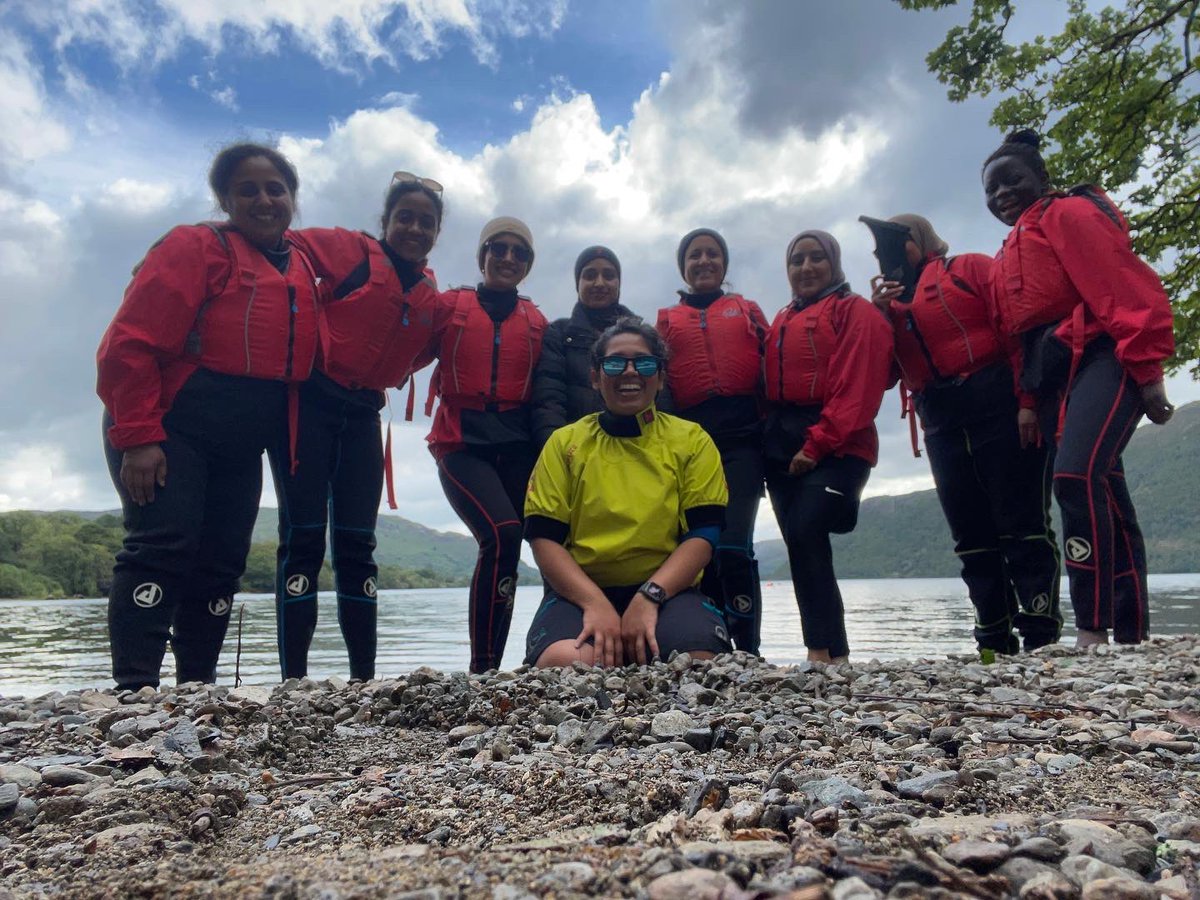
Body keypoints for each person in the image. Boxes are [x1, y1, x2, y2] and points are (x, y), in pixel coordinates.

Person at [97, 142, 322, 690]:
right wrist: (138, 439)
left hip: (238, 446)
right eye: (248, 189)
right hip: (166, 429)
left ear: (292, 197)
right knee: (161, 546)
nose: (264, 199)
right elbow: (127, 345)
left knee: (223, 561)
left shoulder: (301, 264)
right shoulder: (195, 247)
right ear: (225, 198)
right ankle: (134, 691)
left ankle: (197, 687)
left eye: (276, 189)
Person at [982, 129, 1175, 647]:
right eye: (991, 188)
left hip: (1106, 354)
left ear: (1041, 177)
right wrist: (1026, 403)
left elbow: (1119, 282)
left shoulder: (1067, 214)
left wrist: (1146, 366)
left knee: (1074, 474)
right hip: (1053, 374)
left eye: (1012, 180)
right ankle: (1131, 629)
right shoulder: (1007, 252)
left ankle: (1091, 626)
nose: (1001, 194)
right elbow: (1017, 336)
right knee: (1106, 487)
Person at [268, 172, 444, 682]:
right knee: (301, 538)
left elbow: (424, 348)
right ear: (385, 221)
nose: (414, 228)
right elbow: (285, 242)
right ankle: (293, 682)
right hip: (310, 404)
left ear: (436, 233)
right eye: (404, 217)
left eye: (426, 222)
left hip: (364, 414)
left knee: (358, 545)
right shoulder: (351, 251)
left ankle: (362, 680)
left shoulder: (430, 294)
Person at [868, 213, 1062, 655]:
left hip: (1000, 406)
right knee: (971, 536)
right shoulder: (888, 307)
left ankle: (1042, 636)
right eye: (882, 252)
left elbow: (1015, 333)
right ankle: (992, 638)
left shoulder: (970, 269)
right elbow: (881, 377)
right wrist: (878, 318)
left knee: (1023, 524)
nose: (890, 257)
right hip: (940, 420)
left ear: (920, 241)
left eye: (898, 245)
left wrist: (1028, 403)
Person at [523, 319, 733, 667]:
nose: (630, 372)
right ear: (595, 377)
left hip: (667, 590)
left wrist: (649, 597)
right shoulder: (565, 443)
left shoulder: (691, 440)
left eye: (645, 363)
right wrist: (594, 603)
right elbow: (543, 538)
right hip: (579, 591)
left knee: (697, 663)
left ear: (661, 377)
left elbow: (704, 535)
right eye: (615, 363)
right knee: (564, 663)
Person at [763, 230, 893, 664]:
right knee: (801, 544)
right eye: (796, 260)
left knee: (808, 527)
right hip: (783, 442)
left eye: (816, 258)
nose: (805, 267)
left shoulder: (857, 312)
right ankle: (826, 651)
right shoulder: (782, 317)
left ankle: (827, 650)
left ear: (834, 263)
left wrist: (817, 445)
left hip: (840, 443)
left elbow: (857, 388)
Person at [425, 217, 548, 673]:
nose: (508, 258)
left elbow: (553, 388)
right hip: (462, 443)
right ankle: (483, 668)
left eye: (520, 252)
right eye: (499, 248)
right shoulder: (449, 306)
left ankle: (514, 661)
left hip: (517, 446)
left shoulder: (537, 321)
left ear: (528, 264)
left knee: (523, 542)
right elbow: (398, 340)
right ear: (483, 256)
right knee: (500, 533)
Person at [656, 228, 768, 654]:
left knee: (736, 542)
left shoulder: (747, 309)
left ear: (724, 264)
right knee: (702, 544)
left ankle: (749, 648)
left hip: (743, 442)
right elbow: (659, 382)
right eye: (694, 255)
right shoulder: (667, 318)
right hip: (690, 444)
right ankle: (712, 644)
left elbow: (773, 365)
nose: (704, 261)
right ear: (683, 267)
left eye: (712, 254)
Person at [531, 245, 636, 447]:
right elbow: (549, 400)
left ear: (618, 283)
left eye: (608, 275)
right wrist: (556, 452)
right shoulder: (559, 334)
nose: (599, 282)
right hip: (576, 450)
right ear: (577, 284)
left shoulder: (640, 335)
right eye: (589, 275)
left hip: (633, 448)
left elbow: (660, 399)